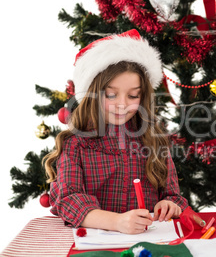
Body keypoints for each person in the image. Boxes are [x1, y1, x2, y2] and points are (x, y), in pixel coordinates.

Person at [44, 29, 188, 234]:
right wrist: (117, 222)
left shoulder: (154, 140)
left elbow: (173, 196)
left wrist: (169, 205)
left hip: (148, 242)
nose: (122, 104)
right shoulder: (76, 144)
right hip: (96, 245)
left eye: (133, 96)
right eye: (111, 95)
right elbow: (68, 200)